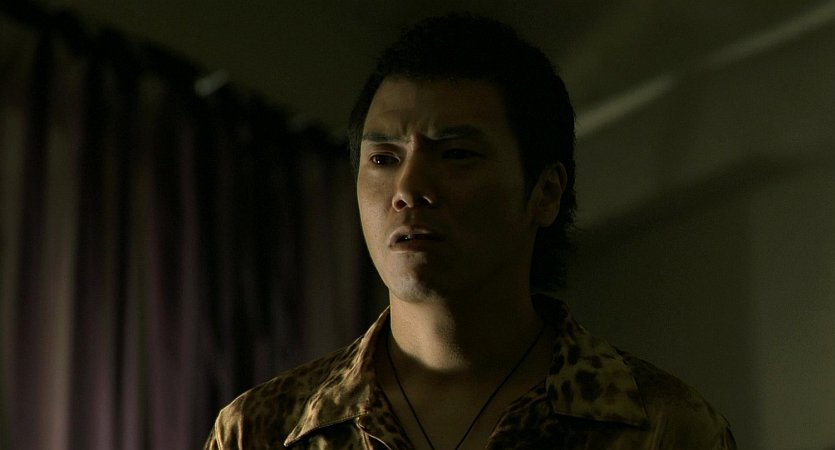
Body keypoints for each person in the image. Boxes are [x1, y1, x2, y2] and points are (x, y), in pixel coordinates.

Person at [205, 13, 736, 450]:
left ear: (545, 193)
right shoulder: (263, 431)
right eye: (384, 158)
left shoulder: (661, 428)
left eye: (457, 154)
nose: (409, 188)